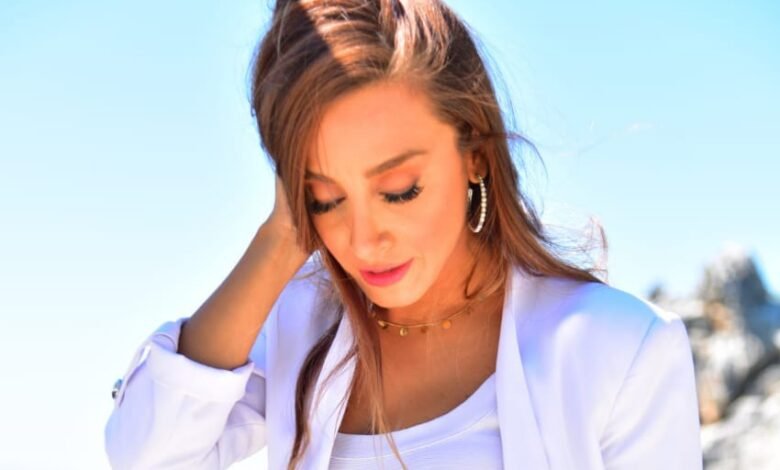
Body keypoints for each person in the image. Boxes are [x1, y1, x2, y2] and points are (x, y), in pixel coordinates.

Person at [104, 0, 703, 469]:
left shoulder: (621, 350)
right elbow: (145, 455)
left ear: (474, 152)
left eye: (399, 190)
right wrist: (280, 239)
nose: (365, 241)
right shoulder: (297, 326)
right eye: (326, 198)